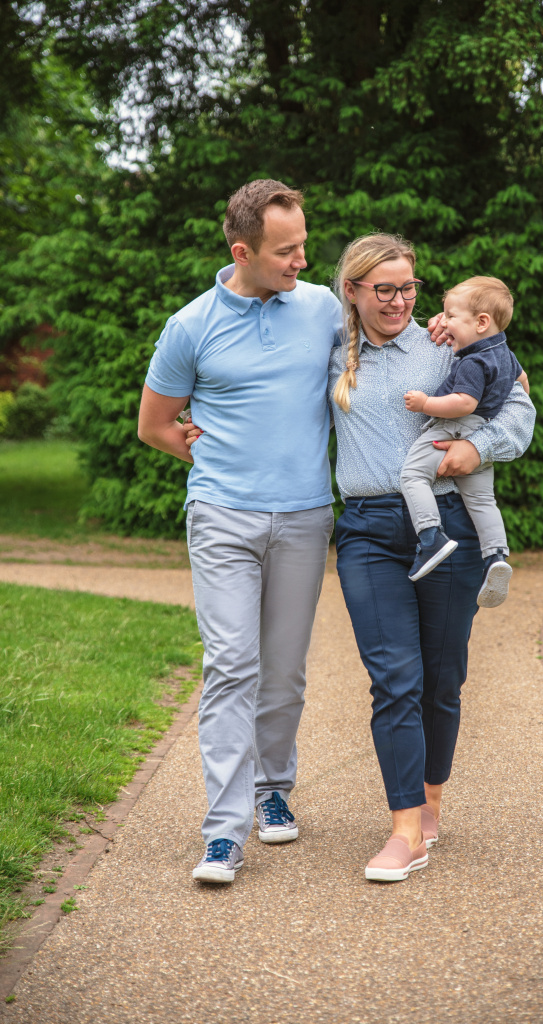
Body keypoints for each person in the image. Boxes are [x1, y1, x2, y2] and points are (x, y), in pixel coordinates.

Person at [138, 179, 342, 884]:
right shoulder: (190, 325)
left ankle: (272, 789)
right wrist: (217, 457)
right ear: (242, 252)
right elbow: (154, 424)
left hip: (306, 515)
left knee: (283, 671)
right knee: (231, 665)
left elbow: (386, 347)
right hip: (222, 514)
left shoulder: (322, 308)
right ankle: (223, 833)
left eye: (303, 245)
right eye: (286, 251)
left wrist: (474, 350)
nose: (302, 261)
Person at [328, 234, 535, 881]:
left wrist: (480, 448)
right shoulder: (328, 353)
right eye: (384, 289)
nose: (398, 301)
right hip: (367, 531)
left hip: (449, 526)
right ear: (352, 291)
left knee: (442, 679)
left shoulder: (450, 342)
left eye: (408, 288)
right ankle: (405, 830)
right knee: (395, 678)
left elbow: (520, 409)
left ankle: (430, 800)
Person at [399, 276, 529, 607]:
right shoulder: (504, 353)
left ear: (481, 322)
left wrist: (425, 403)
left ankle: (431, 536)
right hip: (483, 431)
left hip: (454, 428)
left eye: (451, 316)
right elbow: (523, 383)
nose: (443, 322)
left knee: (413, 475)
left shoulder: (473, 360)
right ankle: (496, 556)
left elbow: (464, 402)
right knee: (483, 500)